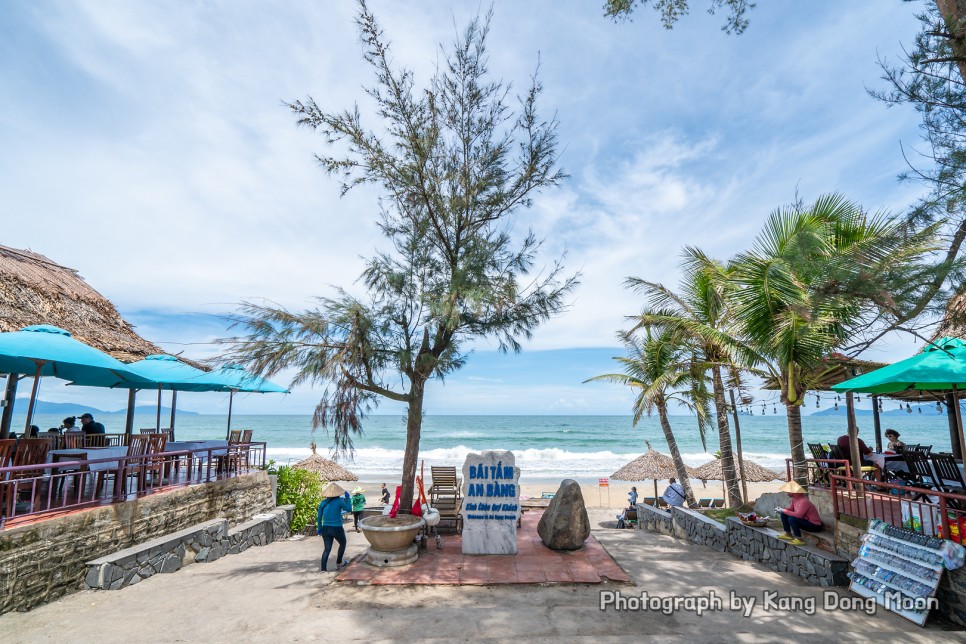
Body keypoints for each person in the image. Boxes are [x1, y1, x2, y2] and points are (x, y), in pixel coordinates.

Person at [317, 483, 352, 572]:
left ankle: (323, 569)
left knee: (327, 549)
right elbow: (349, 509)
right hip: (337, 528)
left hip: (325, 528)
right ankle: (339, 562)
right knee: (343, 543)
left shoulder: (323, 503)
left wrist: (319, 529)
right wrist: (348, 498)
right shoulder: (339, 501)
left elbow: (319, 517)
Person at [775, 480, 823, 546]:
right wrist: (781, 509)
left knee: (791, 519)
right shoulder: (794, 499)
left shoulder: (804, 501)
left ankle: (799, 539)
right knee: (784, 514)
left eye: (788, 491)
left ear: (793, 492)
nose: (786, 493)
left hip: (815, 526)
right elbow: (791, 509)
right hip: (806, 521)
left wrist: (784, 510)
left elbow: (798, 515)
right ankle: (788, 534)